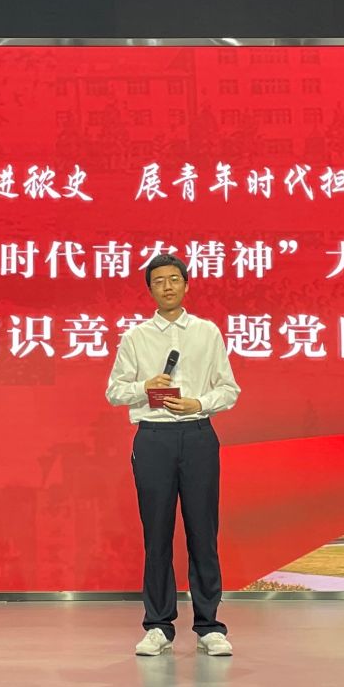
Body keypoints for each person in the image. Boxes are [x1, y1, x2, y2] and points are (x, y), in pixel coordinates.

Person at [105, 253, 241, 658]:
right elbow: (114, 391)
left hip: (198, 435)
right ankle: (158, 625)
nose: (167, 286)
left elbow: (229, 390)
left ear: (186, 284)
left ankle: (209, 626)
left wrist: (198, 403)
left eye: (174, 279)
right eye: (159, 281)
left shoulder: (206, 332)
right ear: (150, 289)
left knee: (203, 533)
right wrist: (145, 387)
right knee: (157, 535)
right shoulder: (136, 337)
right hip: (153, 438)